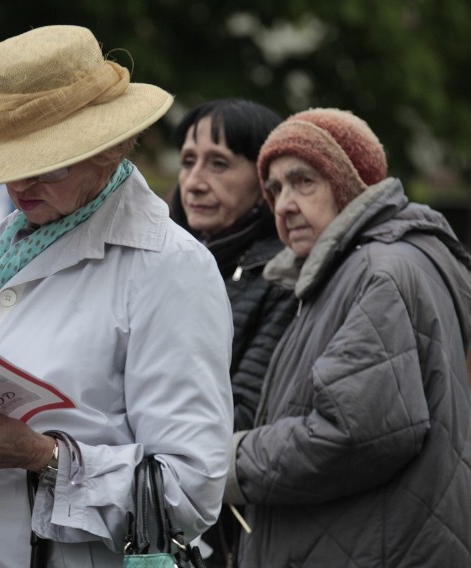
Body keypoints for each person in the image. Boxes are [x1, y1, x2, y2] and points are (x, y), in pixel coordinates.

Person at [0, 25, 234, 566]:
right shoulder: (10, 244)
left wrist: (45, 457)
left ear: (107, 148)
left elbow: (190, 489)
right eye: (10, 165)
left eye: (49, 162)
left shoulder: (168, 267)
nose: (21, 186)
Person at [223, 108, 471, 566]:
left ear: (349, 185)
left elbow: (352, 433)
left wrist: (231, 462)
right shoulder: (349, 271)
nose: (284, 205)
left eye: (303, 182)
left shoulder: (379, 272)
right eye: (274, 189)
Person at [169, 99, 298, 566]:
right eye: (188, 161)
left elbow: (240, 417)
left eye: (219, 163)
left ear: (265, 181)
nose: (195, 180)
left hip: (226, 530)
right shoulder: (163, 264)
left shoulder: (281, 278)